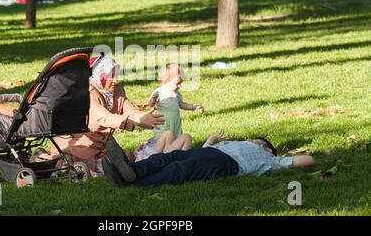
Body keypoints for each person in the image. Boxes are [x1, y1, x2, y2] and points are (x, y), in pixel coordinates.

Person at [45, 55, 165, 174]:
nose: (115, 80)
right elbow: (105, 118)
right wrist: (137, 121)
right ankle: (44, 157)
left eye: (117, 75)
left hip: (103, 147)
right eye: (111, 76)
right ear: (98, 74)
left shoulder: (117, 91)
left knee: (128, 156)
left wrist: (148, 119)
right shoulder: (87, 94)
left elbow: (131, 112)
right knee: (79, 166)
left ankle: (116, 166)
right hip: (79, 148)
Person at [102, 132, 315, 188]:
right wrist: (212, 141)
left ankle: (131, 182)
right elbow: (206, 148)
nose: (252, 140)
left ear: (267, 147)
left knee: (178, 170)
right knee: (167, 157)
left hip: (226, 164)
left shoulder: (270, 160)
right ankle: (131, 170)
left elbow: (305, 161)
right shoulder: (240, 143)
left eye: (257, 140)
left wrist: (304, 158)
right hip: (209, 153)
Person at [134, 63, 203, 162]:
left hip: (175, 125)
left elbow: (182, 104)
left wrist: (194, 107)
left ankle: (182, 158)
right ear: (166, 80)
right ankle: (166, 156)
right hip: (164, 125)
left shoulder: (176, 94)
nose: (179, 86)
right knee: (168, 136)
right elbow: (151, 105)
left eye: (180, 83)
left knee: (177, 137)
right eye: (177, 83)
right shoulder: (159, 92)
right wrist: (153, 99)